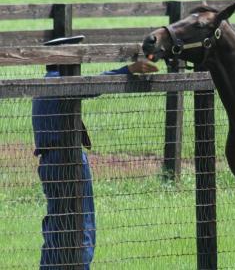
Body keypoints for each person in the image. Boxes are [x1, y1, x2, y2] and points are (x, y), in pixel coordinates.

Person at [32, 51, 158, 269]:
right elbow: (93, 85)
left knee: (58, 226)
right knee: (82, 227)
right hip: (67, 158)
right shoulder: (60, 82)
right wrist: (128, 70)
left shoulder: (45, 84)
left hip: (50, 160)